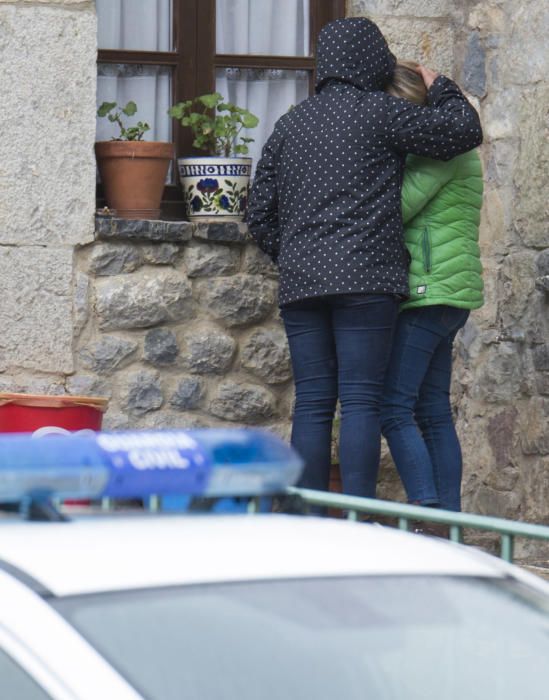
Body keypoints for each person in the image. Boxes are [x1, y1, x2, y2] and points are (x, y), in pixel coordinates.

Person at [247, 18, 482, 498]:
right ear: (373, 61)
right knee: (361, 401)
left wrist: (292, 252)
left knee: (312, 402)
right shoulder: (379, 112)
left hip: (302, 280)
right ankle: (356, 519)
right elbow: (461, 131)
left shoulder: (290, 123)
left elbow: (258, 210)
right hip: (366, 278)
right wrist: (445, 89)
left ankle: (310, 522)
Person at [380, 62, 484, 511]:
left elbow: (396, 207)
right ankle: (449, 525)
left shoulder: (438, 151)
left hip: (429, 291)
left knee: (393, 408)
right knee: (432, 412)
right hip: (446, 295)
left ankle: (429, 517)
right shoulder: (451, 147)